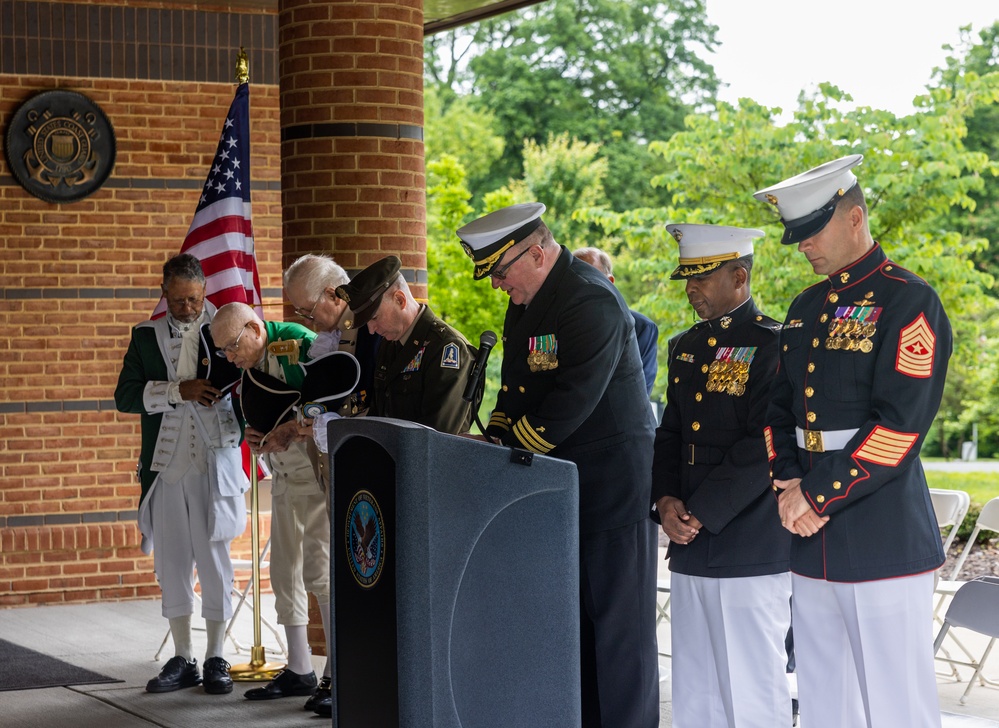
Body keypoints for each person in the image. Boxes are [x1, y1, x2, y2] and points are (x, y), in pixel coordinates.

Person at [754, 154, 952, 728]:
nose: (802, 246)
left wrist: (816, 496)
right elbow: (778, 410)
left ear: (855, 217)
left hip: (879, 531)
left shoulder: (909, 300)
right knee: (824, 701)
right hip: (809, 537)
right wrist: (788, 483)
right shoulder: (804, 308)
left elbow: (899, 429)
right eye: (797, 236)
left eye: (812, 231)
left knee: (897, 706)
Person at [456, 202, 659, 728]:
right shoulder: (528, 301)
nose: (498, 285)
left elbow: (572, 400)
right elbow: (517, 385)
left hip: (610, 485)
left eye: (501, 272)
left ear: (538, 253)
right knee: (575, 626)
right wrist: (495, 434)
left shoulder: (589, 298)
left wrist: (512, 451)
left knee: (619, 630)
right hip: (560, 483)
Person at [651, 224, 791, 727]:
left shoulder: (773, 345)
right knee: (697, 682)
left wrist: (700, 512)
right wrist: (665, 502)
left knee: (752, 683)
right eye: (686, 278)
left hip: (748, 539)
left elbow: (764, 444)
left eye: (702, 278)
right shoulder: (685, 346)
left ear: (739, 275)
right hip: (690, 538)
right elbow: (670, 434)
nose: (691, 289)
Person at [114, 253, 243, 696]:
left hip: (214, 462)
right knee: (171, 562)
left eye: (194, 299)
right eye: (179, 299)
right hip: (167, 465)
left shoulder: (227, 327)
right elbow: (124, 396)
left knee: (215, 561)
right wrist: (176, 390)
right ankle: (183, 656)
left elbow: (251, 383)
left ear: (204, 290)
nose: (187, 308)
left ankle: (216, 656)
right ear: (163, 290)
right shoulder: (145, 336)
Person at [210, 303, 330, 712]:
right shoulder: (248, 362)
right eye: (223, 351)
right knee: (284, 572)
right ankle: (299, 668)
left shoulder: (298, 342)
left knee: (321, 572)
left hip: (314, 475)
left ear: (254, 328)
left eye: (232, 346)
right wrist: (254, 431)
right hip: (281, 475)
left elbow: (327, 401)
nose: (230, 357)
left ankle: (336, 673)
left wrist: (290, 428)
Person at [333, 254, 475, 435]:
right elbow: (379, 415)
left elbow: (437, 435)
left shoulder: (446, 347)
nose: (371, 330)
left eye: (374, 318)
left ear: (400, 300)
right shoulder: (390, 344)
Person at [572, 246, 659, 395]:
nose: (582, 287)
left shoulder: (642, 328)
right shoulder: (561, 325)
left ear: (610, 281)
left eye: (589, 279)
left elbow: (639, 392)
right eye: (575, 280)